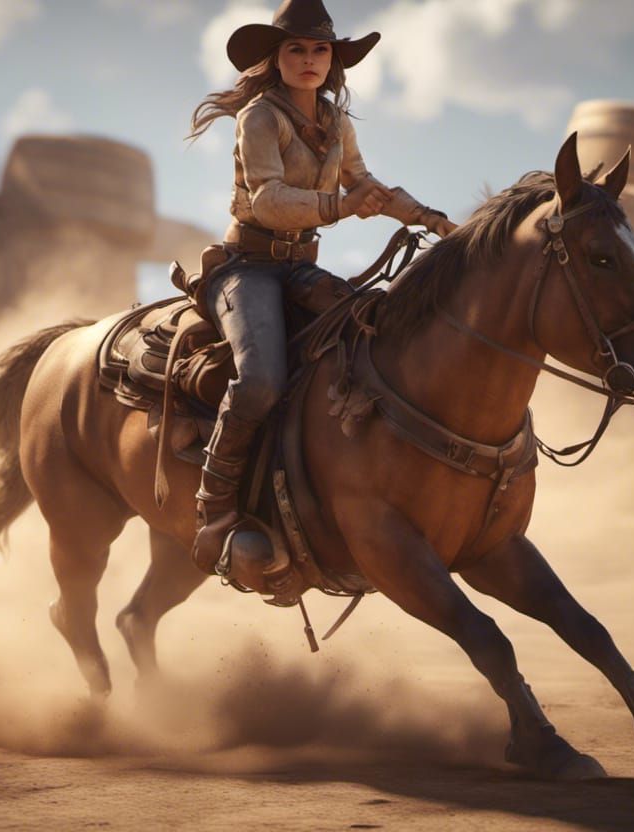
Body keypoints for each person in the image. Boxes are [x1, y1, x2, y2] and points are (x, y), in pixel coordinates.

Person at [187, 0, 457, 575]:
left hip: (302, 267)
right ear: (276, 58)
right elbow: (266, 200)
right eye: (296, 49)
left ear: (333, 61)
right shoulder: (259, 117)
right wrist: (339, 206)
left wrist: (431, 219)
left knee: (375, 338)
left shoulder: (337, 121)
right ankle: (213, 510)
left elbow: (366, 184)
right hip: (247, 267)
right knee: (260, 379)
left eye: (319, 50)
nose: (309, 60)